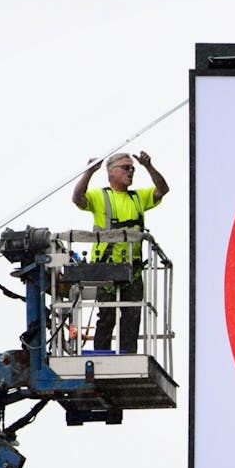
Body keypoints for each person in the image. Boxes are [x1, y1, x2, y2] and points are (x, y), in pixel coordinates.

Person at [71, 151, 170, 353]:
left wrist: (148, 166)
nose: (131, 171)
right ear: (112, 172)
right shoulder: (101, 196)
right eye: (126, 167)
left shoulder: (138, 198)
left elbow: (163, 189)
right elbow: (77, 198)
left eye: (132, 168)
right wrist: (89, 172)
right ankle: (101, 355)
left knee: (132, 317)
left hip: (132, 269)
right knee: (106, 317)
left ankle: (127, 355)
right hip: (106, 268)